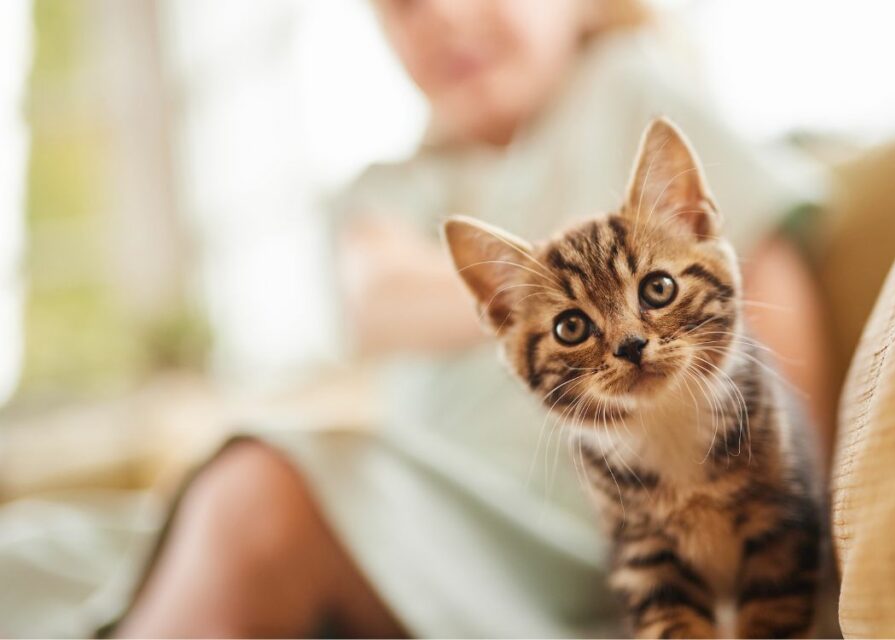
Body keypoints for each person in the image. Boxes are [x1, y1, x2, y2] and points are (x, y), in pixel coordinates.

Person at [114, 0, 833, 636]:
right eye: (406, 4)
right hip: (429, 517)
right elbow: (376, 299)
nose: (447, 16)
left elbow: (771, 304)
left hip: (590, 527)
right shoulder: (391, 186)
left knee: (254, 495)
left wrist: (801, 524)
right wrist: (546, 303)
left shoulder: (629, 87)